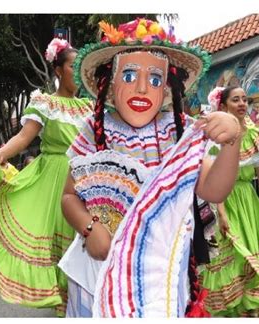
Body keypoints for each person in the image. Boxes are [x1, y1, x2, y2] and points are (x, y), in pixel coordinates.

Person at [58, 18, 243, 318]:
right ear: (110, 82)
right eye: (129, 75)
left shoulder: (178, 132)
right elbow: (68, 197)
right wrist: (89, 227)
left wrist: (231, 141)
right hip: (96, 273)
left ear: (167, 88)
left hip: (159, 278)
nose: (143, 88)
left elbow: (213, 189)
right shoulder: (95, 130)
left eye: (155, 79)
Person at [0, 37, 93, 316]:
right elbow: (23, 136)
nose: (77, 73)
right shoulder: (44, 103)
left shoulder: (89, 107)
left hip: (87, 182)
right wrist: (0, 154)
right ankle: (65, 308)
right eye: (71, 66)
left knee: (88, 247)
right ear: (57, 70)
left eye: (81, 68)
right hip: (53, 184)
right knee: (62, 252)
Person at [200, 86, 259, 317]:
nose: (242, 103)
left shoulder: (254, 135)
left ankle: (251, 312)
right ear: (223, 106)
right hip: (225, 202)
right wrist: (221, 214)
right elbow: (212, 179)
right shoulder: (215, 136)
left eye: (245, 99)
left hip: (250, 207)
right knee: (232, 259)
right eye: (236, 100)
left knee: (256, 257)